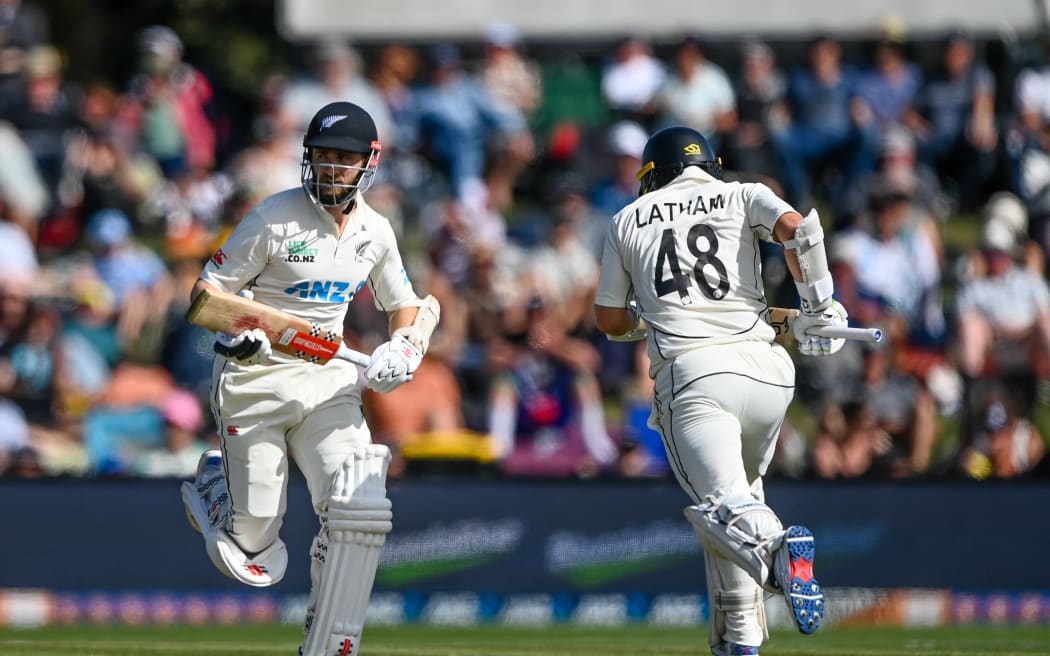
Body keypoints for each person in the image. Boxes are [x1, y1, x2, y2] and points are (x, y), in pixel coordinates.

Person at [180, 101, 440, 656]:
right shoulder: (271, 217)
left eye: (343, 160)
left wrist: (405, 344)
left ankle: (326, 644)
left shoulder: (376, 230)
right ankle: (216, 488)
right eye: (321, 157)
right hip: (255, 379)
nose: (329, 170)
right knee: (252, 549)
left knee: (356, 505)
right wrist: (238, 333)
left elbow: (406, 304)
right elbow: (207, 295)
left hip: (329, 381)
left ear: (369, 163)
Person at [594, 126, 849, 655]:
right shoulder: (743, 192)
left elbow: (609, 318)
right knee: (740, 499)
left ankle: (780, 554)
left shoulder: (625, 219)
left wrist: (649, 321)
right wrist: (817, 311)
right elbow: (800, 232)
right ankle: (741, 641)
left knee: (721, 510)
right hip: (769, 376)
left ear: (652, 175)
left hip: (697, 382)